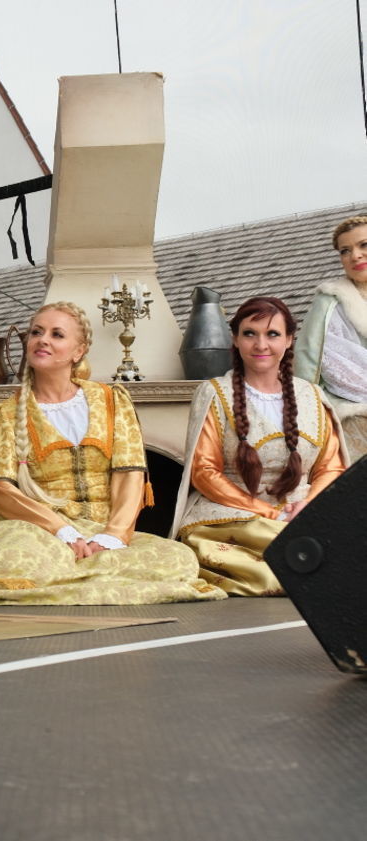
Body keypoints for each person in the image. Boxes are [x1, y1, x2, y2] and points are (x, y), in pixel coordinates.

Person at [0, 301, 225, 606]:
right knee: (20, 560)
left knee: (177, 559)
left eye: (57, 335)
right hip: (34, 529)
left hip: (101, 530)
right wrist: (62, 530)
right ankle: (90, 576)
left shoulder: (112, 401)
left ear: (79, 351)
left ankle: (77, 573)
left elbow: (130, 474)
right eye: (36, 332)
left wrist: (112, 536)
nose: (42, 340)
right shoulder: (4, 414)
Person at [172, 297, 347, 595]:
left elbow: (331, 466)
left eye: (273, 334)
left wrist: (308, 508)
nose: (260, 344)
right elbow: (204, 471)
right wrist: (270, 514)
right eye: (250, 333)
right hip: (232, 514)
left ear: (290, 340)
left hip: (302, 510)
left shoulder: (313, 396)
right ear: (235, 339)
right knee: (288, 551)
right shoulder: (215, 393)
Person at [294, 214, 367, 460]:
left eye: (363, 245)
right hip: (351, 413)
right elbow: (315, 365)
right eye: (345, 251)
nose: (355, 255)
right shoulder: (329, 302)